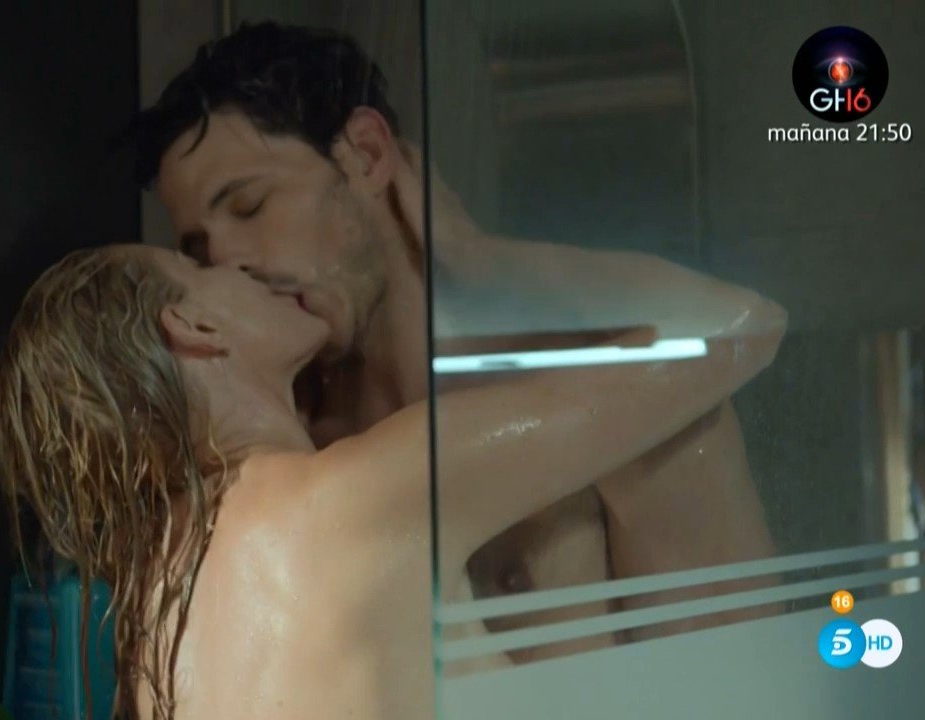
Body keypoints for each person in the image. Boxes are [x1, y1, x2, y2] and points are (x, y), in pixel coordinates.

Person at [129, 21, 783, 659]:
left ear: (367, 155)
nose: (229, 262)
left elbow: (735, 677)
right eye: (199, 252)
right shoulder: (291, 452)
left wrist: (481, 259)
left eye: (250, 206)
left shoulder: (618, 399)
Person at [0, 243, 785, 719]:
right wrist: (483, 255)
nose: (236, 264)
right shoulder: (356, 496)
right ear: (194, 327)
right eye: (199, 266)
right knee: (686, 436)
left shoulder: (152, 605)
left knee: (563, 538)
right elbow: (738, 327)